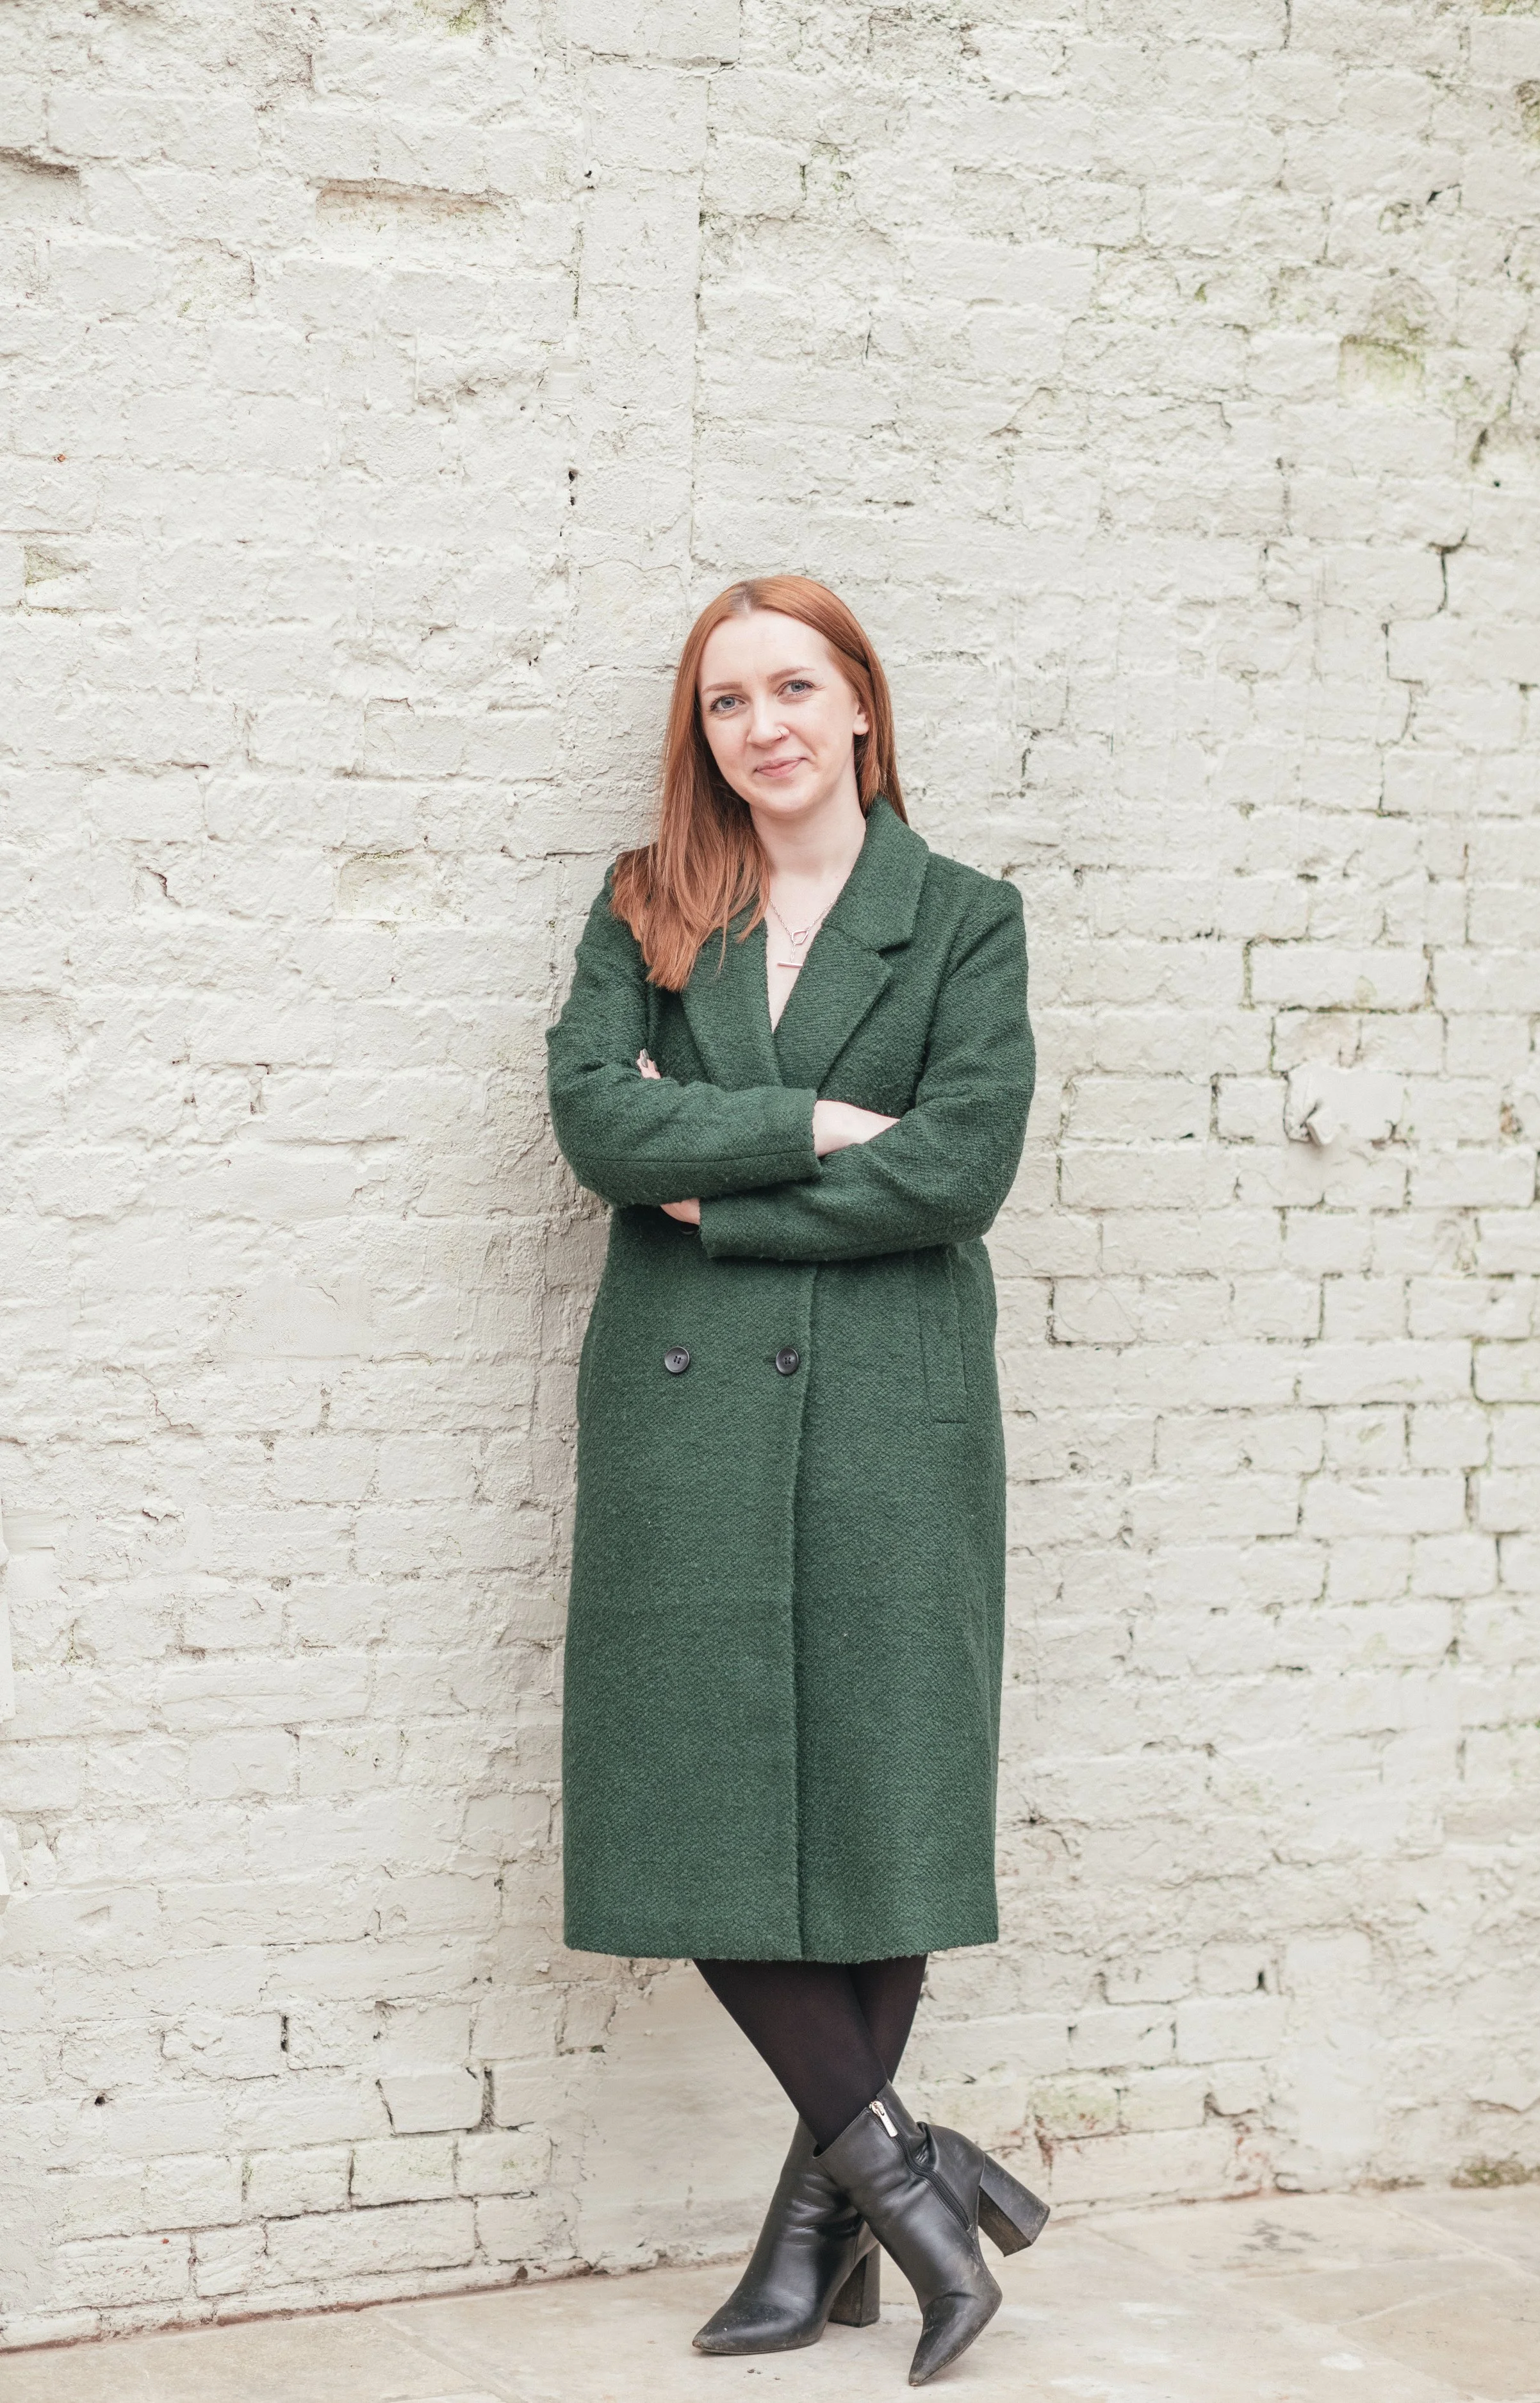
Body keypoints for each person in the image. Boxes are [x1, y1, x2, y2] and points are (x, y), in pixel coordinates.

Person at [544, 575, 1043, 2386]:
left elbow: (958, 1173)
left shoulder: (964, 919)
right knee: (691, 1800)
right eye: (725, 700)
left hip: (894, 1402)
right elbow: (600, 1119)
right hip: (685, 1420)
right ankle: (919, 2186)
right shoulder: (651, 903)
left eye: (791, 687)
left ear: (857, 710)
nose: (758, 723)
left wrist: (713, 1188)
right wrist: (817, 1124)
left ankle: (821, 2232)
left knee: (881, 1786)